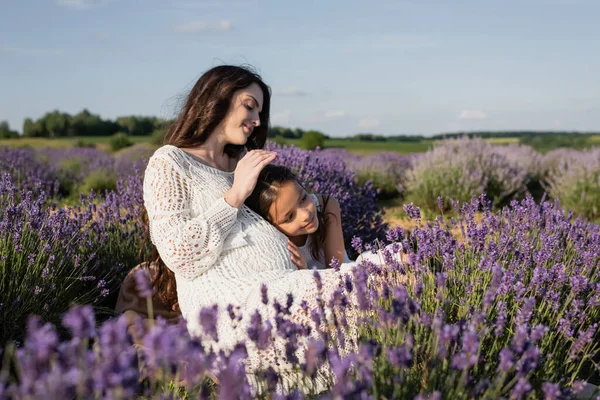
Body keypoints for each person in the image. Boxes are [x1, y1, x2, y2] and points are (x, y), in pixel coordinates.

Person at [127, 65, 361, 378]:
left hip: (280, 284)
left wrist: (322, 223)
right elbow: (179, 254)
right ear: (216, 97)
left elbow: (293, 211)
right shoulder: (170, 161)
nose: (256, 120)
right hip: (231, 308)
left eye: (260, 113)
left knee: (385, 278)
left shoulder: (244, 162)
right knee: (367, 288)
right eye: (249, 106)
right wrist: (236, 194)